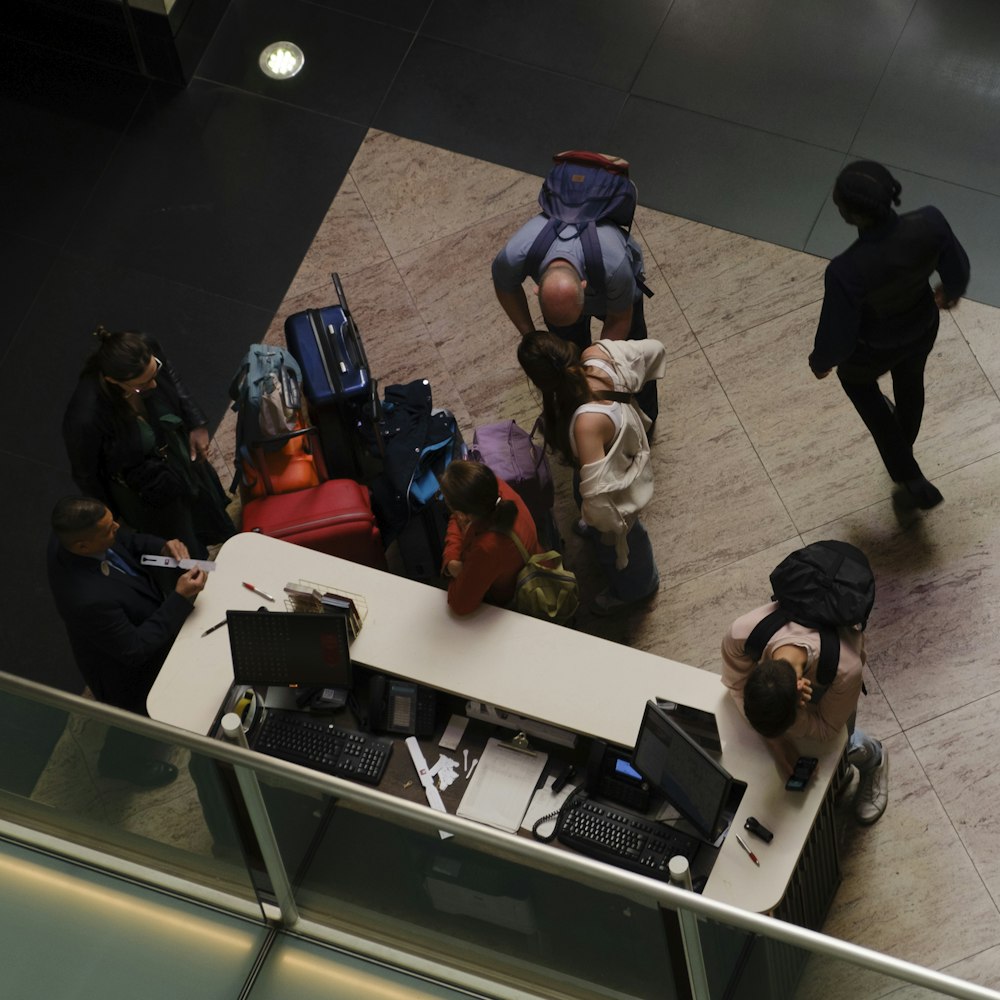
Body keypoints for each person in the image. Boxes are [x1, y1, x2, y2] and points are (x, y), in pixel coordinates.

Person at [809, 160, 970, 509]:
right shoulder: (930, 221)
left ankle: (906, 471)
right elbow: (958, 266)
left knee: (860, 389)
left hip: (872, 350)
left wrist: (821, 362)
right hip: (922, 329)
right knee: (911, 384)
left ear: (850, 215)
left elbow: (838, 333)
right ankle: (905, 441)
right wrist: (950, 290)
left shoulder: (845, 270)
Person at [47, 496, 207, 788]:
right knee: (134, 719)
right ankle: (119, 763)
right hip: (121, 669)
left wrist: (161, 545)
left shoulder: (75, 537)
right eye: (108, 529)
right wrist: (180, 599)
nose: (117, 528)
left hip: (131, 622)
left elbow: (128, 541)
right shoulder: (86, 598)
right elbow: (134, 649)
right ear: (82, 546)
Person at [517, 331, 666, 614]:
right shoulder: (598, 354)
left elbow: (599, 502)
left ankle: (639, 586)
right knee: (585, 498)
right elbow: (654, 349)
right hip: (614, 450)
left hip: (615, 482)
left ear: (538, 382)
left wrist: (599, 523)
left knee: (623, 533)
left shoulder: (586, 425)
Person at [63, 326, 235, 560]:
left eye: (154, 374)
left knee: (205, 505)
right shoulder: (85, 417)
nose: (153, 386)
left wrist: (196, 423)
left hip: (175, 452)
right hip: (147, 481)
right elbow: (87, 475)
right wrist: (113, 517)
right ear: (113, 381)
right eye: (141, 385)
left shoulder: (144, 346)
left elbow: (172, 379)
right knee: (179, 534)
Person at [721, 603, 888, 825]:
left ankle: (875, 759)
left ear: (801, 689)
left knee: (840, 745)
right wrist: (777, 743)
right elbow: (736, 684)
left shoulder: (845, 670)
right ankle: (839, 775)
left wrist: (798, 718)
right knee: (812, 752)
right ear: (758, 667)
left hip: (834, 678)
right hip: (802, 679)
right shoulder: (739, 635)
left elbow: (826, 729)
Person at [492, 213, 658, 425]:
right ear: (537, 289)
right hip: (579, 288)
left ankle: (646, 419)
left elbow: (619, 318)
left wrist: (598, 366)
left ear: (583, 285)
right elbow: (505, 287)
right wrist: (531, 335)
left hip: (616, 295)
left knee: (632, 357)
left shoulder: (614, 266)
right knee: (565, 353)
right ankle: (574, 411)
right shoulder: (513, 255)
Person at [439, 460, 541, 615]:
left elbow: (460, 604)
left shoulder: (488, 548)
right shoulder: (494, 491)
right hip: (528, 561)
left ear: (462, 513)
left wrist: (451, 561)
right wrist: (452, 558)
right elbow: (458, 519)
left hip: (508, 598)